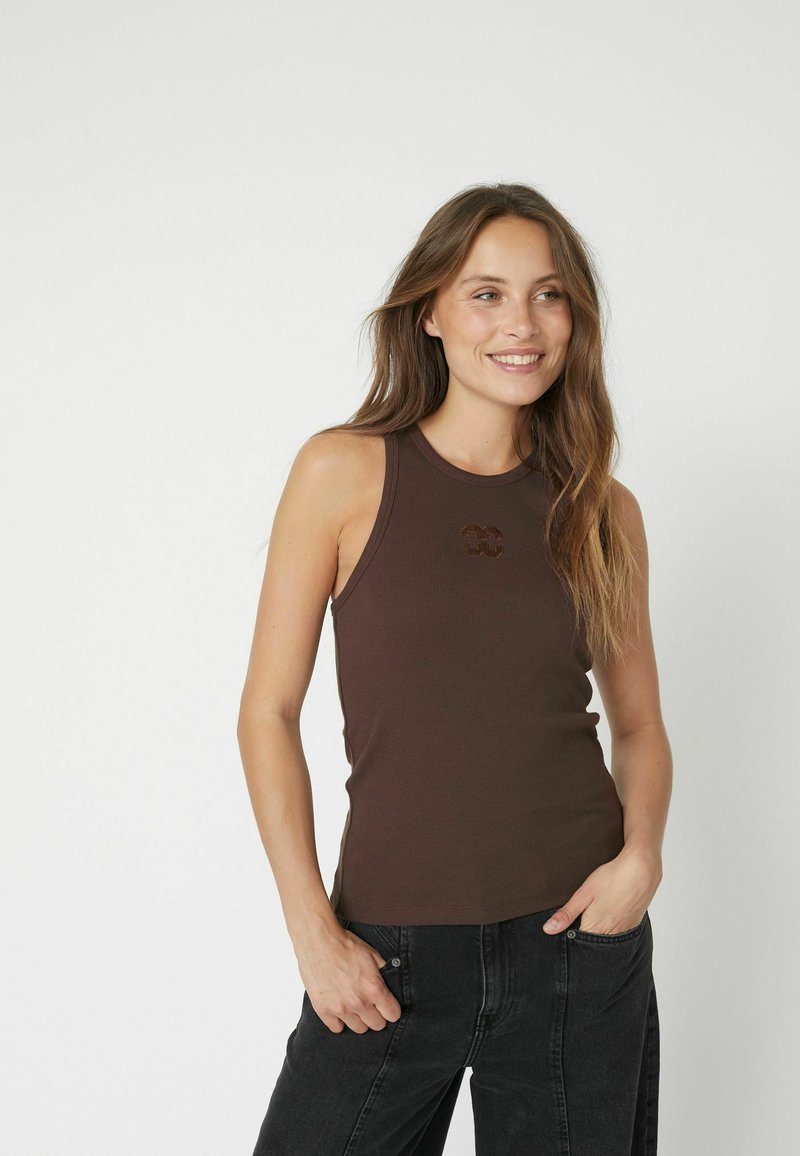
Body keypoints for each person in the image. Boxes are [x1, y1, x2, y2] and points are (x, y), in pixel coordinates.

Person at [237, 182, 672, 1155]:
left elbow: (639, 725)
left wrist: (639, 859)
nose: (522, 323)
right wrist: (312, 930)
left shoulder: (602, 509)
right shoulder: (343, 471)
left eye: (549, 295)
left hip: (576, 938)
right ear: (429, 312)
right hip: (385, 953)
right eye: (486, 294)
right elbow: (266, 713)